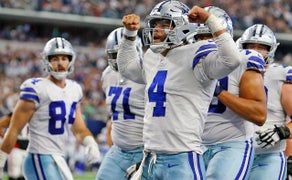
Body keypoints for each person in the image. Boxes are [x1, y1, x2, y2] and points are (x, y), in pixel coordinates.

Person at [117, 1, 242, 179]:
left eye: (164, 24)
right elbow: (126, 68)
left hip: (182, 157)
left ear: (182, 27)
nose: (157, 30)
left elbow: (232, 60)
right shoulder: (152, 56)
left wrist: (210, 20)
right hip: (150, 157)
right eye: (155, 24)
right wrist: (129, 35)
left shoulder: (198, 52)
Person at [0, 37, 101, 180]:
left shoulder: (75, 89)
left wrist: (90, 143)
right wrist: (1, 159)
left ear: (70, 61)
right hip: (38, 157)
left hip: (58, 157)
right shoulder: (36, 88)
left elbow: (79, 129)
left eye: (64, 58)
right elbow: (14, 129)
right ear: (47, 61)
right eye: (54, 59)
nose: (60, 63)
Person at [195, 6, 267, 180]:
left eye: (210, 35)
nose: (205, 41)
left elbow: (259, 114)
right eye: (200, 36)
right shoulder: (189, 60)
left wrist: (219, 92)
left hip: (231, 144)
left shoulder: (244, 60)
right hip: (193, 145)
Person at [238, 24, 292, 180]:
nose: (256, 51)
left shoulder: (281, 74)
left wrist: (281, 132)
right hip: (233, 151)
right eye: (251, 46)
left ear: (271, 50)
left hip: (266, 155)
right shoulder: (230, 70)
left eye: (261, 47)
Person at [96, 27, 146, 180]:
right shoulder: (108, 75)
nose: (120, 59)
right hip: (119, 151)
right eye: (116, 54)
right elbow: (113, 117)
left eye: (124, 54)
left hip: (144, 150)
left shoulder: (146, 72)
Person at [0, 112, 28, 180]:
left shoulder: (35, 114)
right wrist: (6, 139)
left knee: (24, 174)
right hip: (16, 148)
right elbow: (1, 124)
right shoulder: (16, 113)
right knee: (14, 174)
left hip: (28, 148)